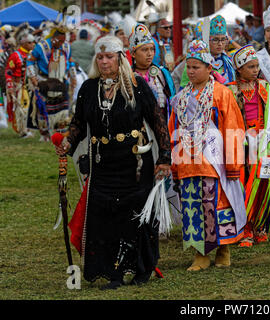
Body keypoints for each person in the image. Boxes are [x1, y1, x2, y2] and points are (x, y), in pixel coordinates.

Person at [55, 35, 171, 290]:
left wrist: (164, 157)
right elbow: (78, 124)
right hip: (103, 163)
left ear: (120, 58)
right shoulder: (88, 88)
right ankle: (112, 272)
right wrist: (68, 143)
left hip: (136, 163)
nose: (104, 61)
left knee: (135, 215)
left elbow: (157, 121)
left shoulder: (136, 86)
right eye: (100, 57)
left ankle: (141, 269)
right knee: (104, 216)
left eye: (109, 56)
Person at [168, 40, 246, 271]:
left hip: (213, 162)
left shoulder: (222, 94)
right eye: (188, 67)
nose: (191, 71)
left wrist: (233, 164)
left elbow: (233, 128)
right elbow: (174, 130)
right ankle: (200, 253)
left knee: (216, 205)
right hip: (187, 162)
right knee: (192, 207)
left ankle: (223, 249)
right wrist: (174, 164)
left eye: (196, 67)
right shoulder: (180, 98)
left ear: (209, 68)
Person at [227, 45, 270, 247]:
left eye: (257, 66)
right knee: (242, 183)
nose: (255, 70)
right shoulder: (230, 89)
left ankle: (259, 225)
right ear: (239, 68)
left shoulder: (264, 87)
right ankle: (245, 227)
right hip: (239, 140)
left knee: (263, 182)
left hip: (262, 140)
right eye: (250, 66)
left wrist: (268, 137)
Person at [26, 25, 77, 141]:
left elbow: (71, 62)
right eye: (59, 40)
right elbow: (30, 61)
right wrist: (33, 77)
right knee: (42, 108)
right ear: (53, 38)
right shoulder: (41, 47)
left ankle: (59, 131)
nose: (61, 43)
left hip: (60, 81)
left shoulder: (66, 47)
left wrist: (73, 77)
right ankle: (44, 134)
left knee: (63, 109)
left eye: (63, 41)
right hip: (44, 81)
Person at [129, 23, 175, 121]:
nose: (150, 54)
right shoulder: (127, 76)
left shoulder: (162, 74)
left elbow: (171, 102)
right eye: (145, 50)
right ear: (133, 53)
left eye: (152, 49)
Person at [4, 32, 35, 138]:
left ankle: (26, 129)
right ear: (24, 43)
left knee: (30, 109)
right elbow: (8, 71)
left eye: (33, 42)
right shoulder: (15, 56)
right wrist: (10, 86)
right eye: (30, 43)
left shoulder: (32, 55)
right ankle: (22, 131)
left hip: (29, 86)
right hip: (19, 86)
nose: (33, 45)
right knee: (22, 109)